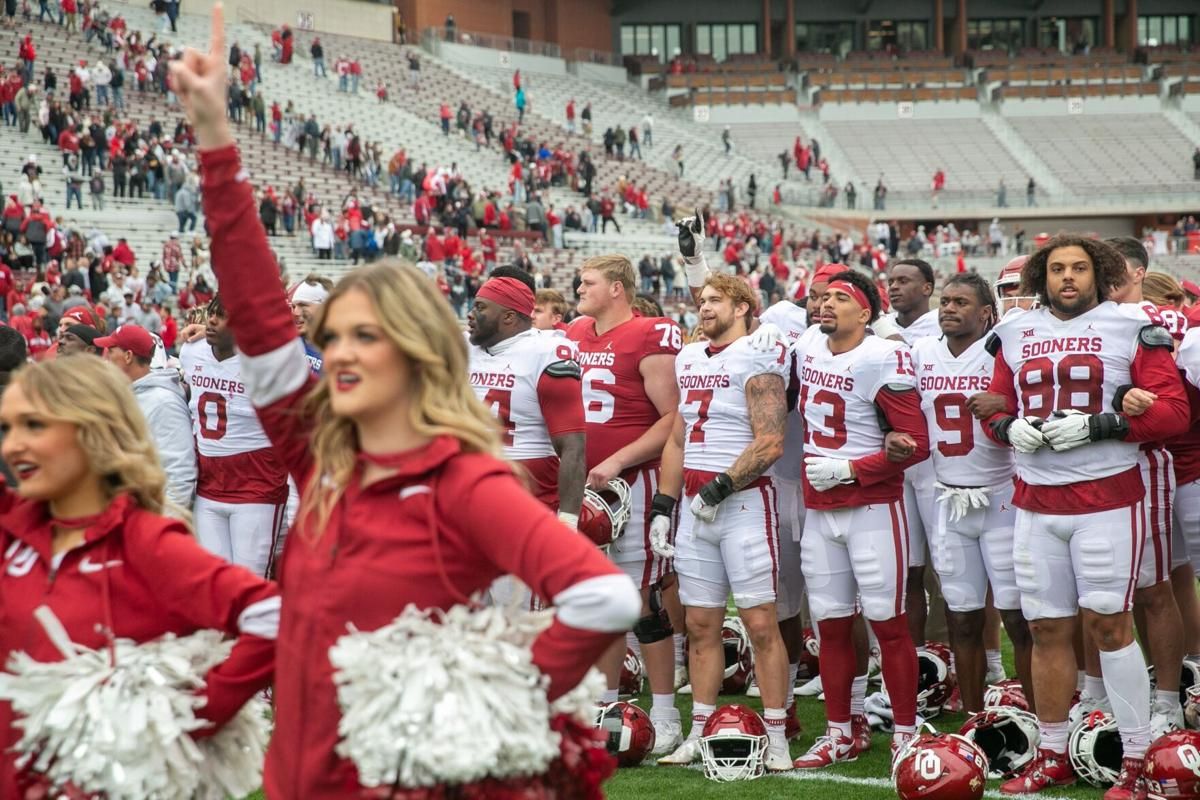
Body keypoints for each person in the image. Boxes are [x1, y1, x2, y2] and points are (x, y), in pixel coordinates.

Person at [168, 10, 640, 796]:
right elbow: (255, 317)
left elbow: (601, 594)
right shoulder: (319, 456)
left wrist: (486, 703)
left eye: (367, 337)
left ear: (418, 354)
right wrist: (217, 139)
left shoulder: (465, 481)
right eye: (336, 337)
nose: (343, 352)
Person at [0, 356, 278, 797]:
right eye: (6, 428)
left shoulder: (149, 541)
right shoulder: (12, 528)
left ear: (92, 430)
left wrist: (189, 715)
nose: (12, 445)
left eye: (33, 426)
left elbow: (272, 616)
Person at [983, 236, 1189, 798]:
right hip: (1034, 502)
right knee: (1046, 629)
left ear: (1098, 273)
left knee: (1109, 627)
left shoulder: (1132, 325)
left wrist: (1104, 425)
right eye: (1056, 269)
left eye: (1078, 268)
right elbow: (995, 406)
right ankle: (1051, 751)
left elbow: (1173, 414)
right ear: (1040, 277)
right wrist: (1005, 428)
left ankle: (1137, 758)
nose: (1067, 278)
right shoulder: (1016, 331)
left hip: (1106, 499)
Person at [652, 273, 792, 772]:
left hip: (744, 503)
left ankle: (776, 735)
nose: (704, 307)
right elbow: (677, 438)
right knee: (700, 624)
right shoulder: (688, 357)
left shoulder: (759, 354)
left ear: (743, 307)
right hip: (694, 507)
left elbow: (770, 440)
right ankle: (699, 729)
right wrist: (663, 506)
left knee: (759, 623)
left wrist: (720, 487)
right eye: (701, 300)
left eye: (716, 301)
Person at [791, 268, 929, 769]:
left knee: (888, 626)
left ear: (865, 313)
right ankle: (840, 731)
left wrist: (851, 467)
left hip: (872, 508)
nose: (825, 305)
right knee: (830, 626)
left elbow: (916, 445)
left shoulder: (882, 356)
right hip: (818, 508)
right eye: (823, 297)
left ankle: (906, 733)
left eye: (840, 299)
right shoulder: (807, 344)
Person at [567, 254, 683, 753]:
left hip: (630, 484)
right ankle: (605, 710)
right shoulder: (572, 332)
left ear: (617, 287)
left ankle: (664, 716)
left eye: (588, 282)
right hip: (581, 489)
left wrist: (617, 461)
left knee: (642, 602)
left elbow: (673, 418)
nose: (579, 288)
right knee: (600, 602)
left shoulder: (651, 332)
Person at [911, 273, 1033, 715]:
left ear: (986, 313)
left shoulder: (1002, 351)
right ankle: (975, 717)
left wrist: (1005, 405)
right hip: (948, 499)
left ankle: (1038, 719)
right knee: (962, 619)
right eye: (945, 301)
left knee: (1019, 619)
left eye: (961, 302)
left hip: (1002, 497)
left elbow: (1032, 408)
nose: (948, 308)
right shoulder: (920, 353)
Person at [180, 295, 289, 577]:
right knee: (215, 580)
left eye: (223, 315)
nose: (212, 320)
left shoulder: (265, 363)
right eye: (212, 314)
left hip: (256, 482)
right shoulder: (192, 352)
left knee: (249, 582)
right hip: (209, 482)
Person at [466, 274, 585, 531]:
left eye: (480, 307)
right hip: (467, 488)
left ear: (508, 317)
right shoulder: (462, 349)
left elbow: (572, 445)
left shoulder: (546, 352)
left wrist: (568, 520)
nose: (470, 314)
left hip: (529, 493)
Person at [98, 323, 196, 511]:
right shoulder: (125, 393)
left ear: (128, 356)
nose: (106, 358)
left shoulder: (164, 402)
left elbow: (179, 473)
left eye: (111, 351)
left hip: (149, 516)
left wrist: (164, 524)